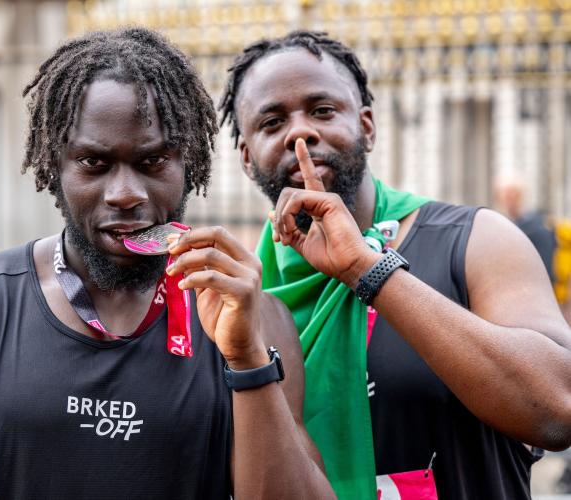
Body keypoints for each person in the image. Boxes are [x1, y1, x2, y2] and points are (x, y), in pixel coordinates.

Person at [0, 28, 335, 499]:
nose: (125, 194)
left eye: (153, 161)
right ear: (55, 166)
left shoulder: (257, 322)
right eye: (94, 163)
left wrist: (247, 359)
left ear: (189, 164)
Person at [220, 30, 571, 499]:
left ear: (367, 125)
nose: (300, 131)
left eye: (323, 111)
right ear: (246, 157)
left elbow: (557, 408)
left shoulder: (473, 241)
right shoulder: (235, 301)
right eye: (271, 122)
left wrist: (368, 270)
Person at [493, 176, 556, 282]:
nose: (510, 200)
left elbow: (546, 266)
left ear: (521, 196)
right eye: (506, 196)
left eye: (513, 195)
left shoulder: (538, 226)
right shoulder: (497, 225)